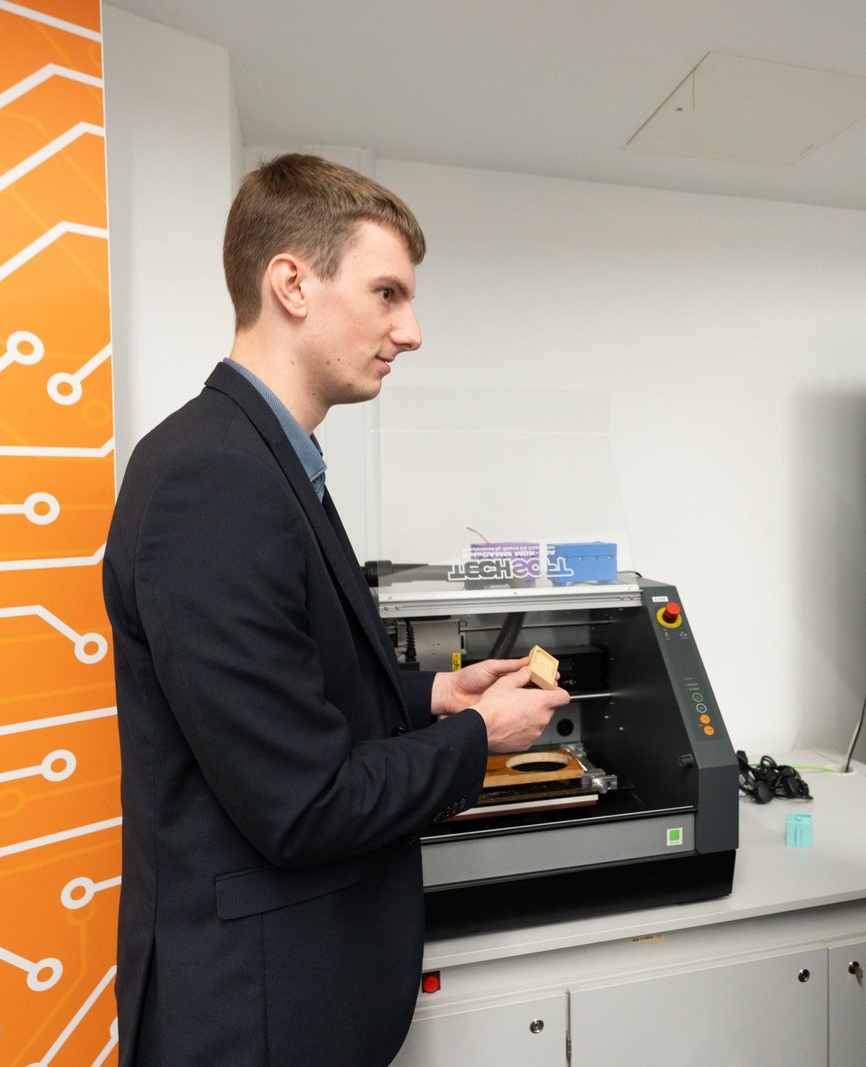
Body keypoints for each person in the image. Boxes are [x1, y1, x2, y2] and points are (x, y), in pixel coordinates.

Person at [102, 154, 570, 1066]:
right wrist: (481, 734)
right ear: (292, 284)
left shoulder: (271, 459)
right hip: (256, 1012)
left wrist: (434, 693)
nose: (412, 329)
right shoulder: (214, 479)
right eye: (387, 292)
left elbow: (293, 687)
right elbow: (303, 802)